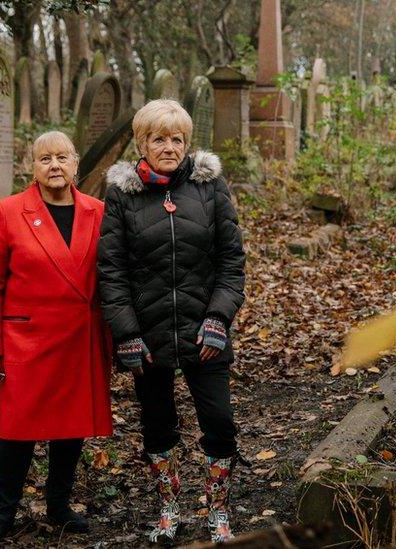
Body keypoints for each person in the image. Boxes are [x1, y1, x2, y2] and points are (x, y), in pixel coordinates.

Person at [98, 99, 245, 544]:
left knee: (219, 422)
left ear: (186, 142)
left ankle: (217, 511)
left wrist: (219, 317)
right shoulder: (122, 196)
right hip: (148, 335)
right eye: (158, 139)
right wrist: (125, 333)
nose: (168, 147)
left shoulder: (210, 187)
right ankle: (169, 508)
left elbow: (231, 261)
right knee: (157, 424)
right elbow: (112, 270)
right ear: (142, 143)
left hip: (206, 332)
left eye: (176, 138)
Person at [0, 131, 113, 545]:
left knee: (71, 426)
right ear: (32, 167)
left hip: (80, 338)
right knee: (18, 430)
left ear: (76, 164)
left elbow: (113, 276)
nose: (54, 166)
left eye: (62, 157)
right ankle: (3, 513)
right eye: (44, 158)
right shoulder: (9, 211)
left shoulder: (99, 211)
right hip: (26, 339)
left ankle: (59, 506)